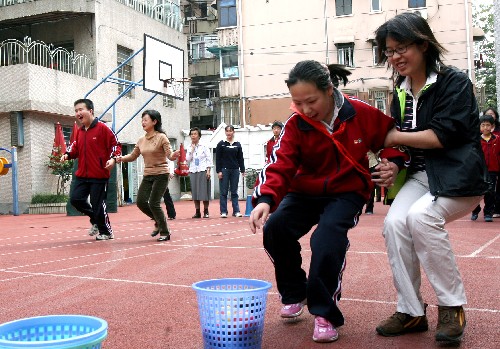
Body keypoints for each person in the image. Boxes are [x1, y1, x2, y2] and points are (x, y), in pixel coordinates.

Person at [248, 60, 408, 343]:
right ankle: (296, 292)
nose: (306, 109)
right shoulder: (296, 124)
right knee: (276, 229)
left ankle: (324, 312)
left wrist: (393, 164)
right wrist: (265, 199)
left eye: (311, 101)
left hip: (346, 192)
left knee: (326, 239)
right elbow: (280, 163)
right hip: (304, 191)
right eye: (298, 103)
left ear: (329, 90)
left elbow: (392, 140)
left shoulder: (361, 113)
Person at [374, 12, 489, 343]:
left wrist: (393, 138)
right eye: (388, 51)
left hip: (458, 177)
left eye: (400, 48)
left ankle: (452, 307)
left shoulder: (454, 83)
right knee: (395, 223)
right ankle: (411, 311)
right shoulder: (400, 89)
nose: (394, 57)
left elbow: (442, 136)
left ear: (423, 45)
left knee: (421, 217)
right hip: (423, 177)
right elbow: (407, 149)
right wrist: (395, 165)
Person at [61, 98, 121, 241]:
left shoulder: (103, 128)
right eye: (76, 111)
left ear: (90, 111)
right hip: (82, 174)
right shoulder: (80, 131)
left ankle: (106, 232)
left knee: (97, 203)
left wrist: (113, 158)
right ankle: (95, 219)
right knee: (75, 199)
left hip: (99, 174)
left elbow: (116, 145)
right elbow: (75, 148)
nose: (78, 113)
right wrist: (67, 154)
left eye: (81, 110)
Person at [116, 110, 179, 242]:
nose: (143, 122)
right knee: (140, 202)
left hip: (161, 174)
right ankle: (158, 220)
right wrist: (120, 158)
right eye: (142, 120)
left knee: (154, 203)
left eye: (146, 120)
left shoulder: (162, 137)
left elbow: (170, 155)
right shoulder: (141, 140)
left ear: (154, 121)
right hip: (148, 174)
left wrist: (174, 156)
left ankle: (165, 232)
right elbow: (133, 156)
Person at [470, 114, 500, 222]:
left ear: (492, 126)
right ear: (479, 126)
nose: (485, 127)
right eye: (483, 125)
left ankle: (488, 212)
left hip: (492, 170)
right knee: (476, 191)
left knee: (490, 192)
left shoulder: (497, 139)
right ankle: (475, 209)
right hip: (478, 170)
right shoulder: (476, 140)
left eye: (488, 125)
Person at [215, 125, 245, 218]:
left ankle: (236, 211)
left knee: (234, 191)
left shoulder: (238, 144)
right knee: (223, 192)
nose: (229, 133)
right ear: (225, 132)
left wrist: (242, 169)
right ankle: (223, 211)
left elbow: (240, 158)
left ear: (233, 132)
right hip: (224, 170)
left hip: (235, 170)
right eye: (227, 131)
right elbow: (218, 159)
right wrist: (219, 171)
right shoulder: (221, 144)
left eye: (230, 131)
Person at [186, 127, 213, 218]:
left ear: (199, 135)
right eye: (192, 134)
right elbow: (188, 160)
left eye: (195, 134)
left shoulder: (204, 146)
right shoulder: (189, 147)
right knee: (195, 191)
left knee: (204, 191)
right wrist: (192, 150)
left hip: (203, 170)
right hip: (193, 170)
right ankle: (197, 211)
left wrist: (208, 170)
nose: (193, 136)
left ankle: (206, 210)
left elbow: (209, 159)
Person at [483, 107, 500, 217]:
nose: (490, 116)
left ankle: (497, 208)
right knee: (488, 188)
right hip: (486, 165)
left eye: (492, 114)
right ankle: (487, 208)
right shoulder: (480, 130)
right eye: (488, 114)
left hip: (496, 162)